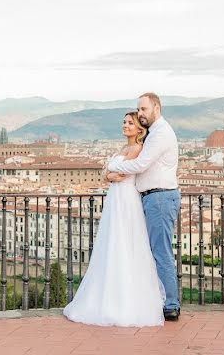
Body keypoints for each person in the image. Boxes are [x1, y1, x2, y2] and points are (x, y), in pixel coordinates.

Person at [62, 110, 164, 327]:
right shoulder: (124, 148)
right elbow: (106, 173)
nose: (125, 125)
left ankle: (123, 302)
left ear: (139, 129)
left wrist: (108, 172)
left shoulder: (138, 148)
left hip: (126, 200)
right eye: (124, 122)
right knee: (111, 243)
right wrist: (108, 174)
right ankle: (110, 296)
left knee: (124, 243)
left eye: (130, 123)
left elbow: (121, 172)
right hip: (115, 200)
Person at [106, 92, 181, 321]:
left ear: (156, 108)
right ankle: (159, 299)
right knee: (153, 252)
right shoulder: (154, 133)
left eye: (143, 109)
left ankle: (170, 304)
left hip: (159, 198)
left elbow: (141, 163)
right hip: (151, 198)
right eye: (138, 110)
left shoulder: (161, 133)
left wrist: (113, 173)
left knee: (160, 252)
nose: (140, 113)